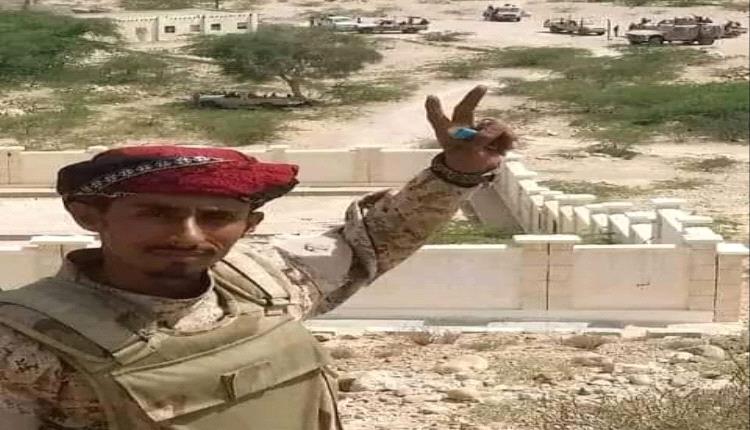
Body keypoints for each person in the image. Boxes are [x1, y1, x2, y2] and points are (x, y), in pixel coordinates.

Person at [0, 86, 516, 429]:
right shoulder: (23, 341)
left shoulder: (268, 284)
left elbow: (376, 240)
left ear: (250, 226)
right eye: (156, 213)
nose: (187, 235)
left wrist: (458, 172)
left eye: (216, 216)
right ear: (89, 216)